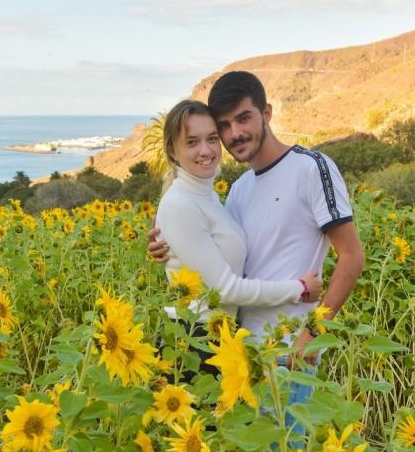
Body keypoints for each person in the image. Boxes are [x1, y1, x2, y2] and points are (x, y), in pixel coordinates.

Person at [151, 73, 365, 366]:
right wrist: (169, 248)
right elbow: (221, 261)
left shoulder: (311, 168)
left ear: (266, 114)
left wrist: (314, 333)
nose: (234, 133)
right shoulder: (239, 189)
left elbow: (352, 255)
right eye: (224, 126)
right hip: (238, 353)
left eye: (243, 118)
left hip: (289, 350)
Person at [156, 99, 322, 346]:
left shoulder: (208, 197)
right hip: (191, 341)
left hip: (218, 335)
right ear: (172, 150)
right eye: (192, 142)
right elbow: (225, 289)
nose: (206, 150)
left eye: (212, 139)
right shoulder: (180, 204)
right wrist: (298, 289)